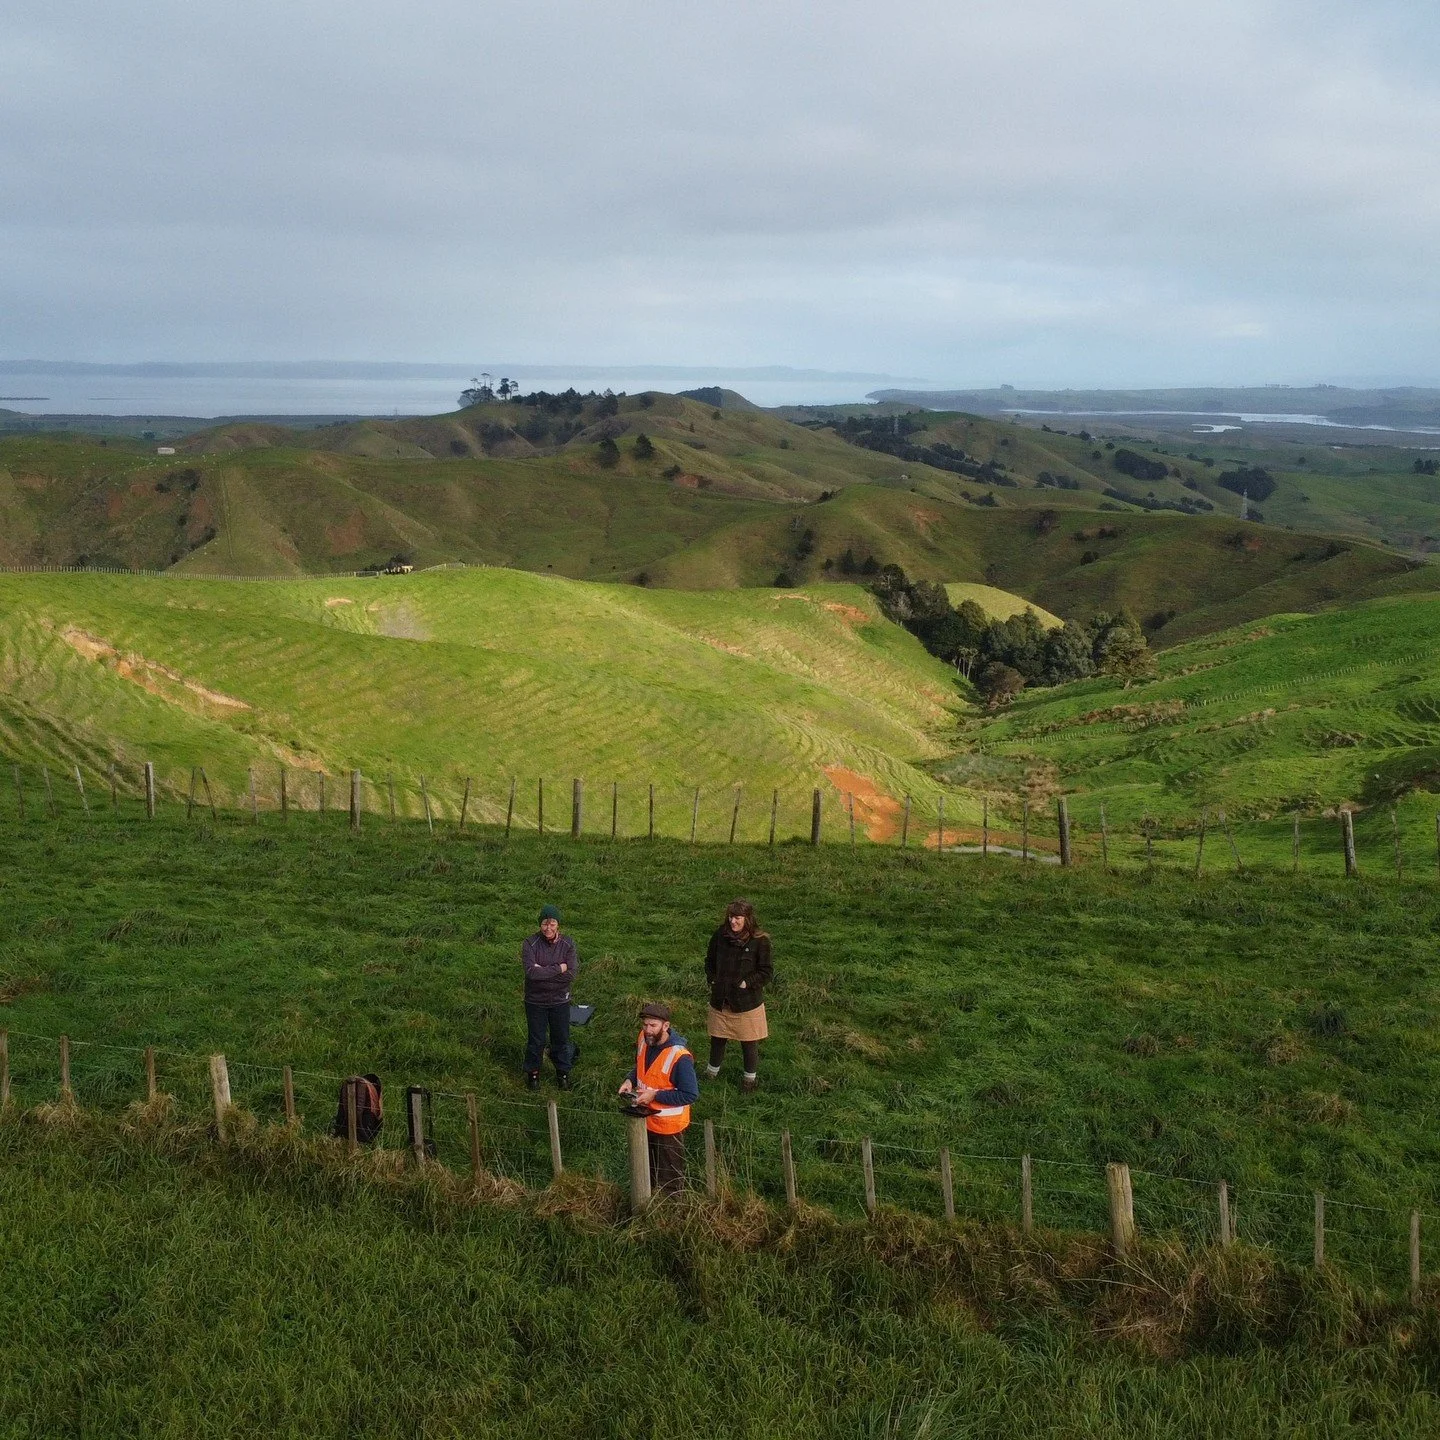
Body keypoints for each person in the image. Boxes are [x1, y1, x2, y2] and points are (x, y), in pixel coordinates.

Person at [618, 1002, 698, 1197]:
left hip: (668, 1127)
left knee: (669, 1179)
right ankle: (648, 1201)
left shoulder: (680, 1057)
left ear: (666, 1026)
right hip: (646, 1119)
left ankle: (669, 1210)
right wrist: (630, 1079)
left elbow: (690, 1094)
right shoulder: (644, 1039)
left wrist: (655, 1095)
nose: (647, 1030)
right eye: (645, 1025)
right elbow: (641, 1066)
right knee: (648, 1170)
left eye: (653, 1025)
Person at [704, 899, 772, 1094]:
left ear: (747, 919)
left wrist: (747, 983)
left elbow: (766, 971)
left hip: (746, 1002)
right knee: (717, 1038)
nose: (733, 922)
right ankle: (711, 1074)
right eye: (731, 917)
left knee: (749, 1042)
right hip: (721, 999)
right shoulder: (720, 935)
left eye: (738, 918)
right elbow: (709, 960)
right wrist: (713, 980)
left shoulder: (760, 941)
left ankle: (749, 1080)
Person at [521, 903, 577, 1091]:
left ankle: (563, 1073)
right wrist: (558, 969)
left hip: (560, 1000)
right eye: (545, 923)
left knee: (561, 1038)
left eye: (552, 923)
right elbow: (531, 973)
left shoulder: (568, 944)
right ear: (540, 924)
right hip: (535, 1001)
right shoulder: (530, 944)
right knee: (536, 1040)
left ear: (558, 924)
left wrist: (543, 971)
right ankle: (533, 1074)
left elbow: (571, 974)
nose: (548, 928)